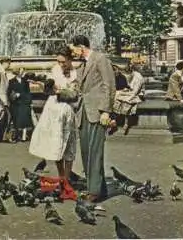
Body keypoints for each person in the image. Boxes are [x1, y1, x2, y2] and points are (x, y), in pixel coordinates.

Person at [69, 35, 116, 203]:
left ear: (81, 46)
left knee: (95, 152)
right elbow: (79, 91)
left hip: (97, 112)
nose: (72, 52)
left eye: (73, 49)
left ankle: (93, 191)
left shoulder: (100, 59)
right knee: (87, 152)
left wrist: (106, 111)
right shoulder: (82, 65)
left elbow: (109, 85)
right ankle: (99, 188)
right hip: (83, 113)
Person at [29, 49, 79, 179]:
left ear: (70, 59)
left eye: (63, 62)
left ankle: (66, 179)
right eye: (58, 61)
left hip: (66, 110)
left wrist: (58, 91)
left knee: (68, 145)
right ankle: (61, 175)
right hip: (52, 110)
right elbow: (48, 89)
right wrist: (45, 85)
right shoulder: (55, 69)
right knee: (55, 145)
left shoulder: (75, 73)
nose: (61, 64)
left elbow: (74, 95)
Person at [112, 63, 145, 135]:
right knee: (116, 96)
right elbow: (127, 87)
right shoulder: (128, 75)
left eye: (123, 71)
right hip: (129, 93)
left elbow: (135, 91)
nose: (122, 73)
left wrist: (126, 95)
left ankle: (126, 123)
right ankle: (114, 120)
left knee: (127, 102)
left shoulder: (138, 77)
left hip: (138, 95)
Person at [7, 68, 33, 142]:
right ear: (17, 72)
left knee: (24, 121)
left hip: (24, 102)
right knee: (16, 121)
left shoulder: (25, 81)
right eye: (21, 71)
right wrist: (13, 96)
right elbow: (9, 92)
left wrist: (30, 102)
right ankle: (17, 136)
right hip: (15, 104)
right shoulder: (11, 81)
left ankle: (24, 137)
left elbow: (28, 92)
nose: (23, 72)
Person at [0, 56, 13, 143]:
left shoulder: (3, 73)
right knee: (1, 118)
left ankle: (0, 137)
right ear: (4, 63)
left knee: (4, 118)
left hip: (4, 99)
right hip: (0, 99)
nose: (9, 65)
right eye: (8, 63)